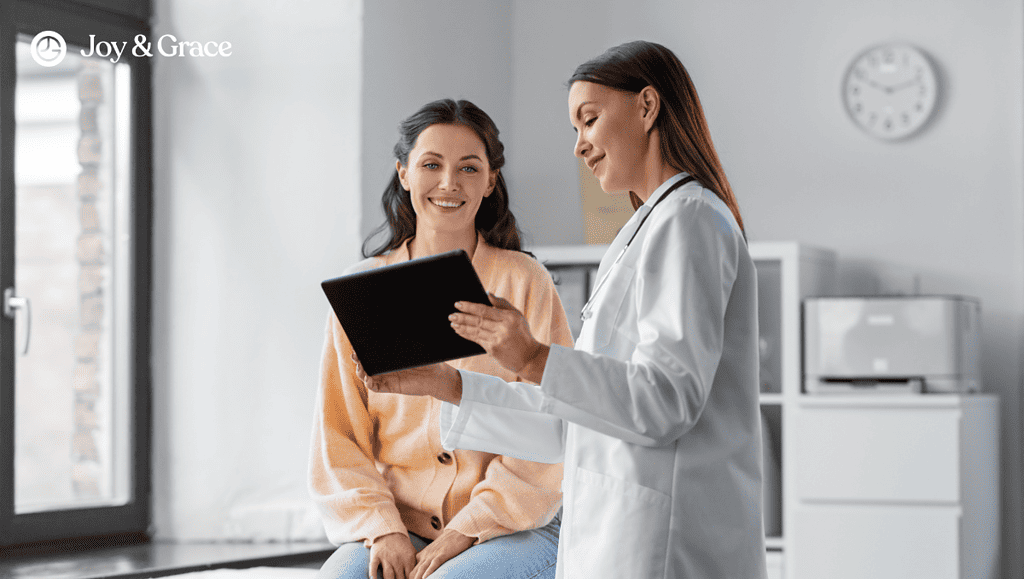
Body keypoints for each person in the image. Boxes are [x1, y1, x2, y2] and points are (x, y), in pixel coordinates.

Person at [355, 41, 768, 578]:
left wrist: (532, 357)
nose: (579, 147)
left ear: (647, 106)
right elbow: (571, 424)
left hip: (666, 541)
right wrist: (447, 385)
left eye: (589, 120)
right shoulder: (642, 232)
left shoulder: (689, 221)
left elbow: (667, 402)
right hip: (618, 530)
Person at [310, 99, 573, 579]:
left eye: (469, 168)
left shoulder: (525, 282)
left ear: (490, 181)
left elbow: (550, 429)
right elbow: (338, 437)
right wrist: (383, 527)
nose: (449, 183)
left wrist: (465, 530)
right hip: (396, 522)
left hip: (515, 523)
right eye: (431, 164)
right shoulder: (361, 289)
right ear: (404, 173)